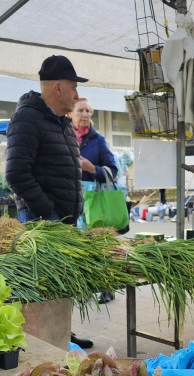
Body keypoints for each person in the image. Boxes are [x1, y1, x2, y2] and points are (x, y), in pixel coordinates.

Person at [6, 54, 92, 348]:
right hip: (43, 223)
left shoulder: (62, 122)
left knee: (60, 285)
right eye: (73, 87)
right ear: (57, 87)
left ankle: (61, 335)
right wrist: (48, 211)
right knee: (43, 288)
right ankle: (43, 345)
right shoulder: (27, 118)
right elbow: (16, 173)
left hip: (65, 221)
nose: (76, 94)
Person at [69, 97, 119, 304]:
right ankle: (84, 288)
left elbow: (112, 170)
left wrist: (91, 169)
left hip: (94, 201)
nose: (85, 115)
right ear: (70, 114)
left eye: (88, 111)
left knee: (99, 244)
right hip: (70, 200)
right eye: (81, 111)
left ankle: (107, 286)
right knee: (78, 247)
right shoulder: (64, 138)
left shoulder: (98, 141)